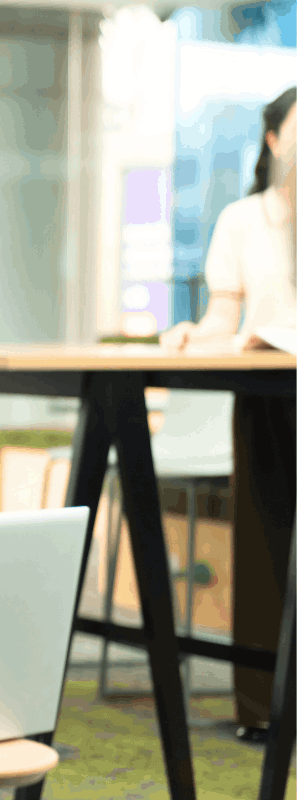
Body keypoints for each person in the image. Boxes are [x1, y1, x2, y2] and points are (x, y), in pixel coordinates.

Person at [160, 86, 295, 739]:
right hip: (268, 399)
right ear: (274, 140)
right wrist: (195, 333)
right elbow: (225, 316)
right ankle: (262, 706)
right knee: (264, 547)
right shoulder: (243, 220)